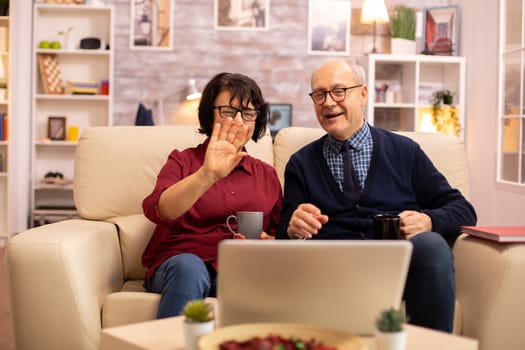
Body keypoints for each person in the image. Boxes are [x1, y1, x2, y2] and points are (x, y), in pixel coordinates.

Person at [276, 59, 477, 332]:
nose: (328, 102)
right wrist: (293, 226)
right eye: (319, 94)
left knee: (430, 245)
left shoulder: (405, 151)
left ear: (363, 94)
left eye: (339, 91)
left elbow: (463, 210)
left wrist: (428, 220)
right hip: (329, 271)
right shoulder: (301, 163)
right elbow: (282, 235)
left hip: (396, 269)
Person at [142, 72, 282, 318]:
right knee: (190, 268)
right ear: (210, 113)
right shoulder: (183, 160)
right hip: (181, 264)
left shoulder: (267, 175)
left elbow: (277, 237)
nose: (238, 121)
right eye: (228, 111)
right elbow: (159, 210)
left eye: (248, 113)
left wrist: (267, 242)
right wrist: (207, 174)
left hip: (239, 269)